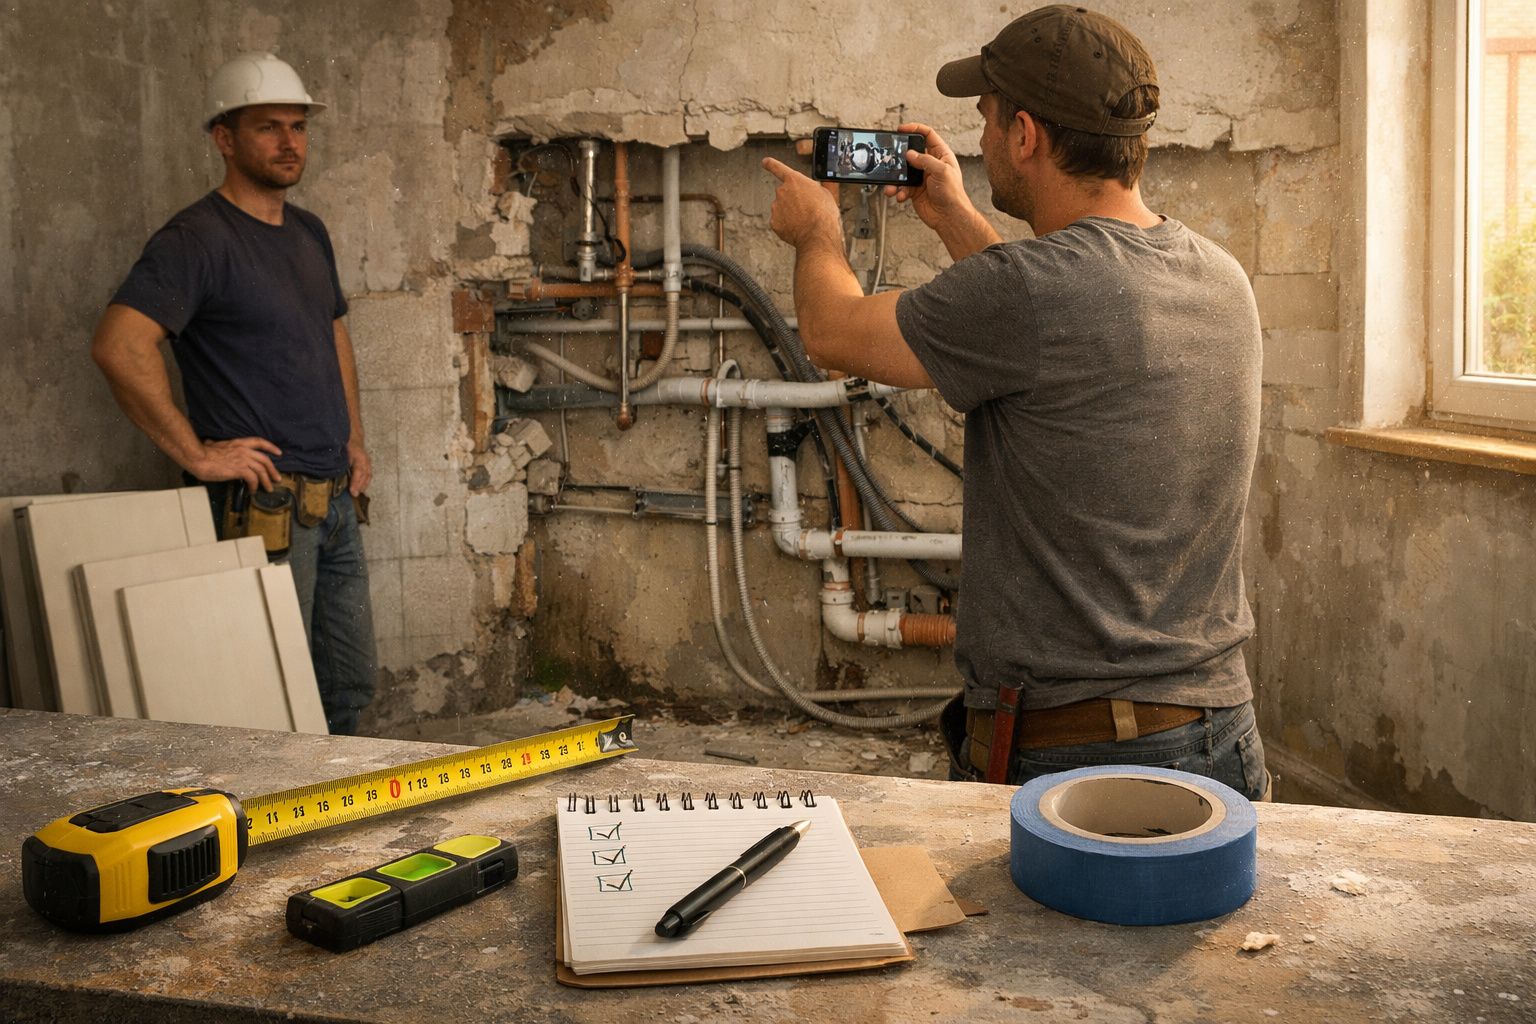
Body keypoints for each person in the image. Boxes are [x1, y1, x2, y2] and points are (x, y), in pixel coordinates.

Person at [762, 5, 1268, 799]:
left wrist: (816, 233)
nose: (983, 138)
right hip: (1218, 734)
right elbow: (1060, 329)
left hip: (1080, 756)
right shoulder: (1218, 275)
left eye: (989, 119)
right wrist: (958, 218)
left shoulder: (1028, 293)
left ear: (1026, 135)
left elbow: (831, 333)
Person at [91, 52, 376, 735]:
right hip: (263, 504)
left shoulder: (307, 232)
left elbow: (332, 332)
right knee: (275, 696)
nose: (289, 142)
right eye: (269, 127)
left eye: (299, 127)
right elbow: (119, 345)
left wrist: (355, 440)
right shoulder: (196, 240)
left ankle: (337, 822)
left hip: (333, 498)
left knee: (348, 684)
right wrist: (198, 455)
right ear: (224, 138)